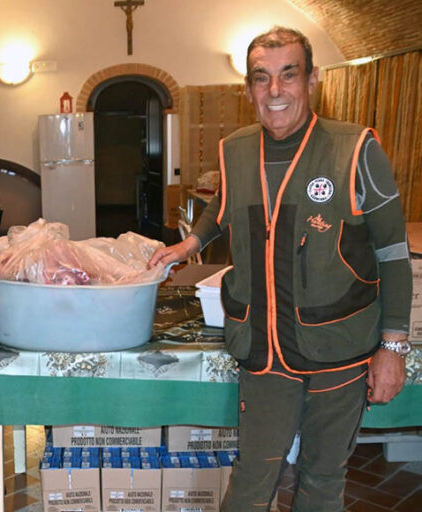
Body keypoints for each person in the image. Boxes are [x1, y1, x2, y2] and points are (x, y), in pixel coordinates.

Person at [150, 27, 412, 511]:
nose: (274, 91)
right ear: (248, 87)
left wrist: (393, 346)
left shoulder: (356, 149)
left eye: (288, 75)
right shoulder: (235, 149)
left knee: (323, 477)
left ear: (312, 81)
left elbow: (393, 252)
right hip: (264, 348)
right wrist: (190, 242)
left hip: (340, 346)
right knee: (253, 477)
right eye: (261, 78)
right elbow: (223, 207)